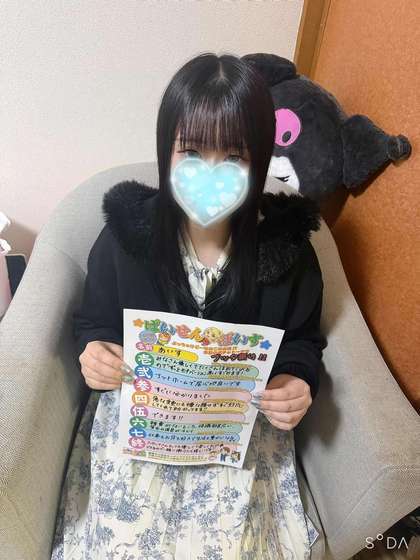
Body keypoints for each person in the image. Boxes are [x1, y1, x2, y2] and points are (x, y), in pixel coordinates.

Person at [50, 52, 327, 559]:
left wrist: (296, 380)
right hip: (144, 423)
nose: (211, 174)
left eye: (235, 156)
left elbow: (303, 340)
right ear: (166, 151)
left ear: (260, 160)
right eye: (192, 152)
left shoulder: (289, 253)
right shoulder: (124, 241)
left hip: (234, 432)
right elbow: (94, 321)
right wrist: (94, 351)